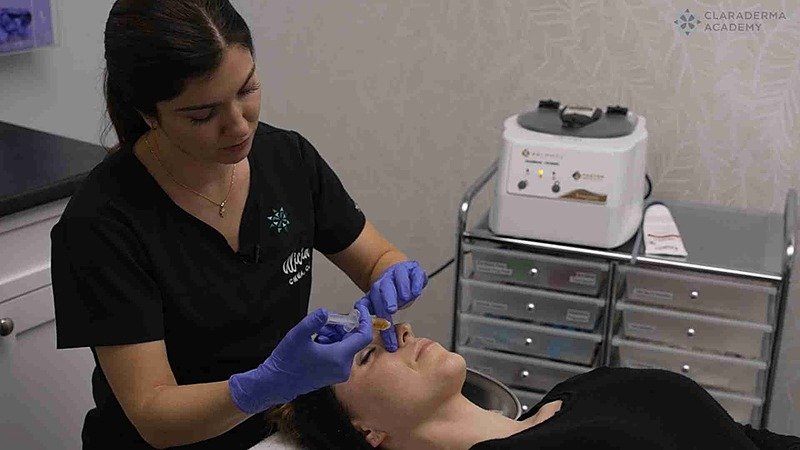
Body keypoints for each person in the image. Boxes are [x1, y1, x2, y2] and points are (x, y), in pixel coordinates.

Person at [49, 1, 427, 448]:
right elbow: (153, 414)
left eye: (247, 90)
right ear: (148, 113)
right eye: (202, 115)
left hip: (275, 438)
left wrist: (392, 274)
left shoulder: (289, 160)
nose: (238, 125)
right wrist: (265, 384)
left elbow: (377, 258)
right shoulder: (102, 225)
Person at [268, 323, 800, 450]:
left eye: (380, 327)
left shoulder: (573, 392)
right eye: (366, 355)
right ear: (367, 429)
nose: (397, 330)